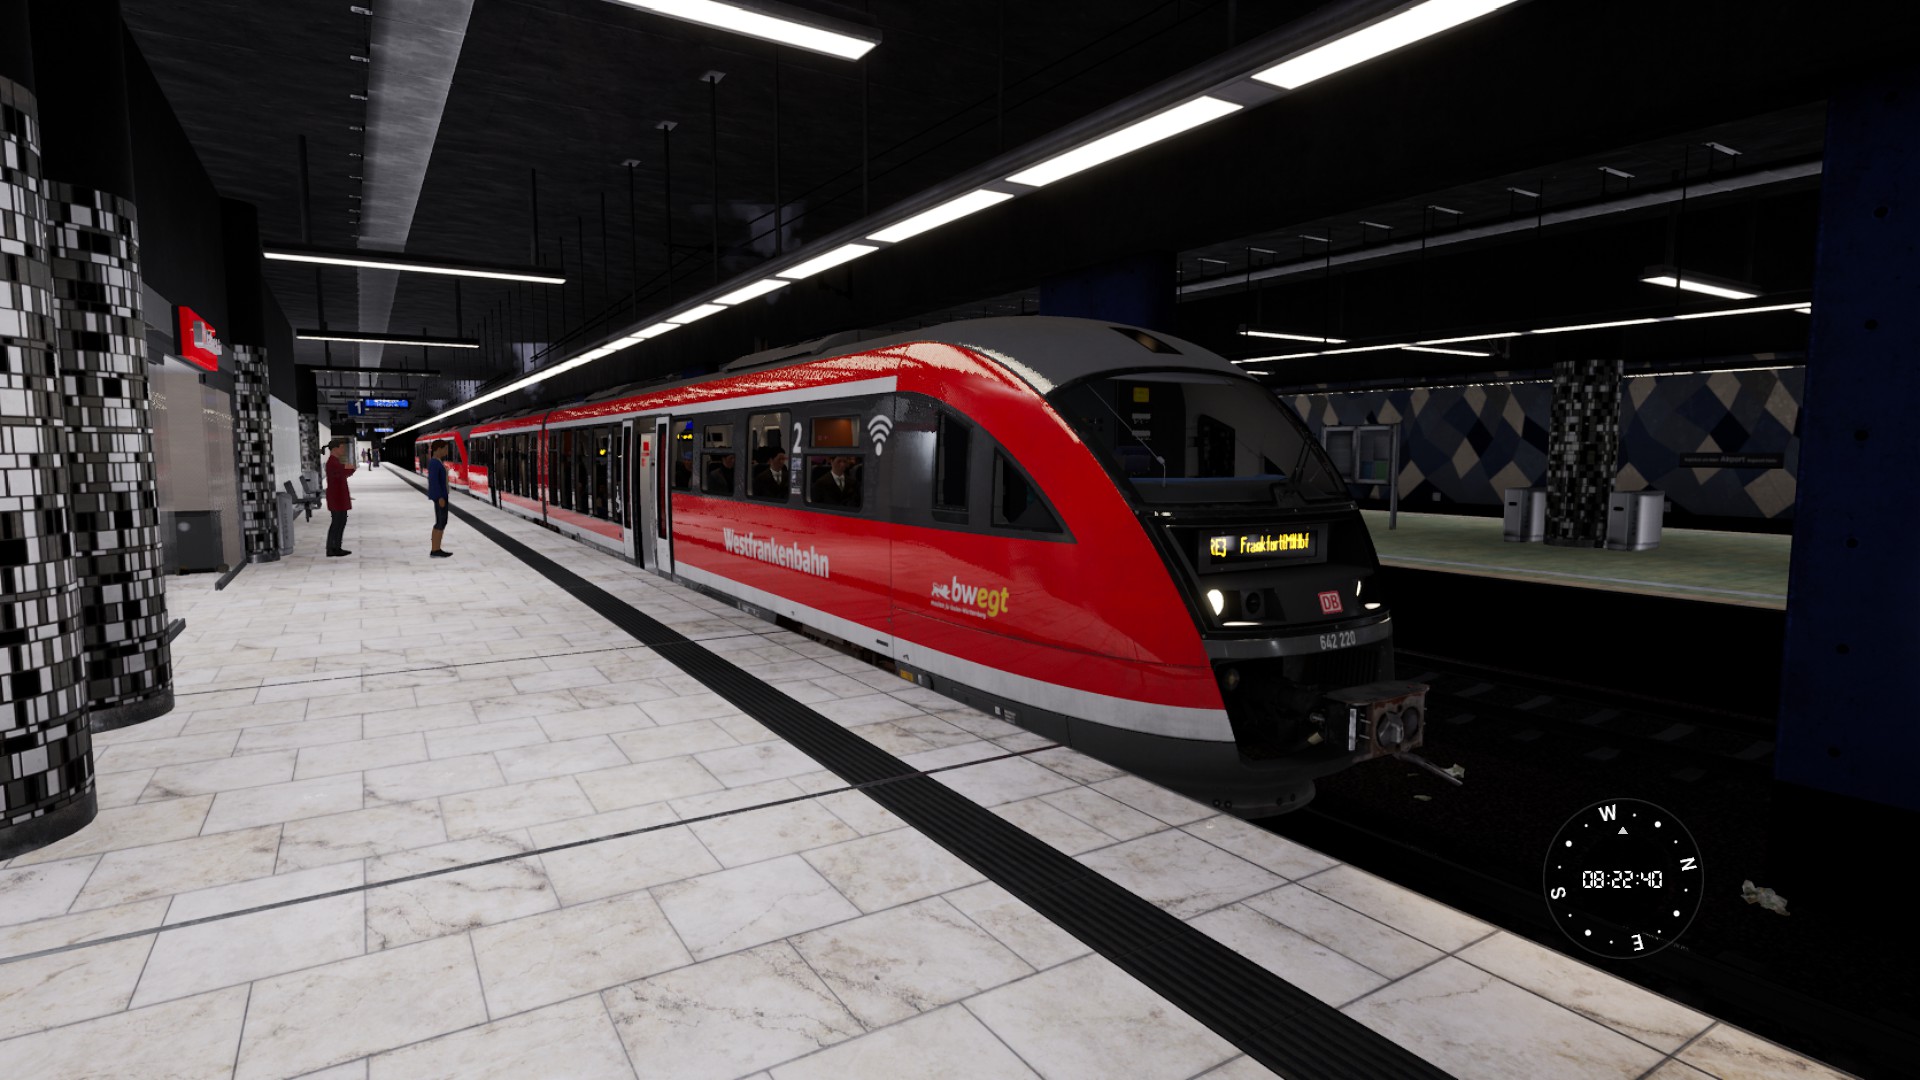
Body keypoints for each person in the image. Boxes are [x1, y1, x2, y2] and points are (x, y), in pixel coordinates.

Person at [324, 437, 356, 556]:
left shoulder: (335, 462)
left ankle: (336, 547)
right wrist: (349, 466)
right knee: (337, 523)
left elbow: (349, 469)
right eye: (342, 448)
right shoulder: (333, 463)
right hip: (337, 498)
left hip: (339, 497)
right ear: (335, 449)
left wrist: (348, 467)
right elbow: (348, 470)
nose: (343, 450)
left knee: (340, 522)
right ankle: (332, 549)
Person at [427, 441, 453, 558]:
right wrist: (439, 497)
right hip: (440, 497)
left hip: (442, 495)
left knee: (442, 522)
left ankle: (436, 548)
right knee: (440, 522)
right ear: (438, 449)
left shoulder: (437, 462)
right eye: (445, 449)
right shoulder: (434, 463)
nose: (447, 451)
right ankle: (435, 549)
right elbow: (434, 482)